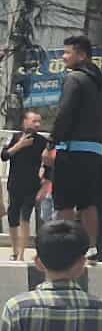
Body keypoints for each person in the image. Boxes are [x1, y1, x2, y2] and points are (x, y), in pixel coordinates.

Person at [44, 36, 102, 257]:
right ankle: (91, 247)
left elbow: (64, 113)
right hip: (95, 151)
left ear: (81, 55)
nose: (63, 57)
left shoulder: (74, 78)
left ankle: (63, 247)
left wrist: (52, 142)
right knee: (88, 202)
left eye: (67, 53)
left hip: (71, 150)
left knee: (64, 202)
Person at [3, 111, 45, 262]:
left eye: (39, 122)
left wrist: (43, 176)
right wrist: (19, 145)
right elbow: (4, 156)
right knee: (12, 217)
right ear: (25, 121)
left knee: (25, 216)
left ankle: (21, 254)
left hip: (32, 185)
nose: (37, 124)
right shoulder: (14, 138)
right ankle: (14, 251)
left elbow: (47, 162)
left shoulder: (41, 141)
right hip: (15, 183)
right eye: (34, 121)